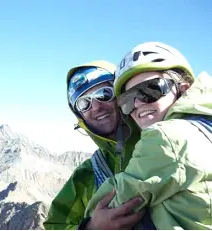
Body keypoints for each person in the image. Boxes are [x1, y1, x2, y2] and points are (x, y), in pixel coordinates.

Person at [84, 42, 212, 229]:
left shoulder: (168, 136)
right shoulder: (202, 126)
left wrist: (91, 225)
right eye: (126, 100)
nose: (136, 104)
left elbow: (117, 200)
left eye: (150, 90)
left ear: (182, 89)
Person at [43, 60, 146, 230]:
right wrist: (91, 227)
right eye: (84, 103)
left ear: (121, 94)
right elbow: (56, 225)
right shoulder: (86, 176)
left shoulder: (166, 141)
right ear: (80, 116)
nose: (96, 107)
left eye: (104, 94)